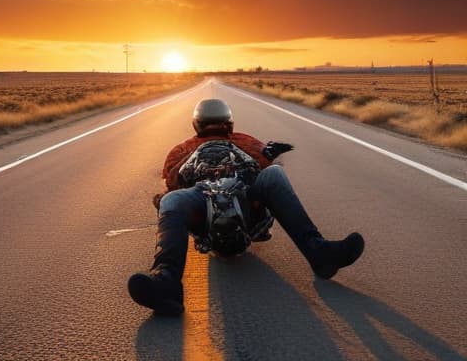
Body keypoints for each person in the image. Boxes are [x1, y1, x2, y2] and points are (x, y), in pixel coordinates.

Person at [128, 99, 365, 315]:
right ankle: (166, 282)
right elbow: (173, 179)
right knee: (171, 200)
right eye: (211, 125)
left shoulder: (242, 140)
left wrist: (269, 154)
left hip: (244, 192)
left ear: (196, 123)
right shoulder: (183, 149)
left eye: (217, 124)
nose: (214, 128)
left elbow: (265, 160)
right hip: (203, 196)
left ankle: (319, 252)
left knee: (274, 174)